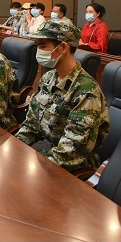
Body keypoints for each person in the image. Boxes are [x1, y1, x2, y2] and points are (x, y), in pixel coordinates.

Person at [16, 20, 110, 172]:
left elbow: (72, 149)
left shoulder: (85, 89)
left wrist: (34, 168)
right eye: (37, 45)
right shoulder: (48, 78)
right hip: (44, 152)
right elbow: (31, 125)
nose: (38, 51)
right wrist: (14, 149)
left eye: (43, 46)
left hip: (70, 167)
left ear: (63, 47)